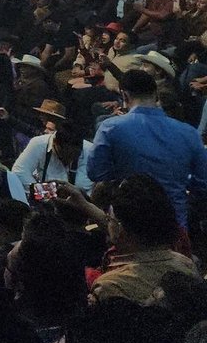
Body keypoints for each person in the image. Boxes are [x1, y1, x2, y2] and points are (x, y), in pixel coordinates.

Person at [88, 67, 207, 226]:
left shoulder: (110, 128)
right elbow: (202, 184)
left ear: (124, 95)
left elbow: (96, 172)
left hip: (129, 225)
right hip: (175, 224)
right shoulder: (189, 133)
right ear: (156, 95)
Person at [89, 173, 196, 303]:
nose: (107, 223)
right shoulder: (186, 265)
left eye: (109, 219)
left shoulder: (109, 287)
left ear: (121, 229)